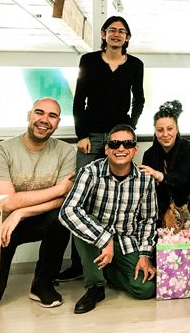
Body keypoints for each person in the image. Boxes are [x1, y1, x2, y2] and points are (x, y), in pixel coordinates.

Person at [62, 15, 144, 282]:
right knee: (80, 199)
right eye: (112, 30)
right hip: (92, 136)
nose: (117, 35)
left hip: (120, 137)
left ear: (127, 37)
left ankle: (113, 259)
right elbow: (79, 102)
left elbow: (139, 100)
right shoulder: (88, 61)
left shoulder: (135, 65)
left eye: (122, 31)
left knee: (117, 194)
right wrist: (81, 135)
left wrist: (128, 130)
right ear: (103, 34)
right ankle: (78, 264)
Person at [0, 98, 75, 307]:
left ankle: (42, 283)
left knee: (62, 219)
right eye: (39, 113)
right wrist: (59, 188)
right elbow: (6, 203)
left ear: (58, 122)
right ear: (29, 115)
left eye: (52, 116)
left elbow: (64, 201)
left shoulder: (66, 152)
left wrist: (21, 213)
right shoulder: (0, 151)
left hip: (33, 219)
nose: (44, 120)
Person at [59, 124, 157, 314]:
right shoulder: (90, 172)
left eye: (127, 144)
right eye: (114, 144)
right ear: (106, 149)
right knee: (83, 220)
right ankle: (96, 287)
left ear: (135, 149)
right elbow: (68, 211)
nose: (121, 148)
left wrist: (145, 256)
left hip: (126, 240)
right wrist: (104, 238)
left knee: (146, 289)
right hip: (97, 240)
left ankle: (107, 273)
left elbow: (148, 220)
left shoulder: (146, 180)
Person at [140, 100, 190, 226]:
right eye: (160, 130)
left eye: (170, 129)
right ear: (155, 131)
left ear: (177, 128)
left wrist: (160, 175)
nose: (165, 134)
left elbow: (183, 179)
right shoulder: (149, 155)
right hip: (166, 211)